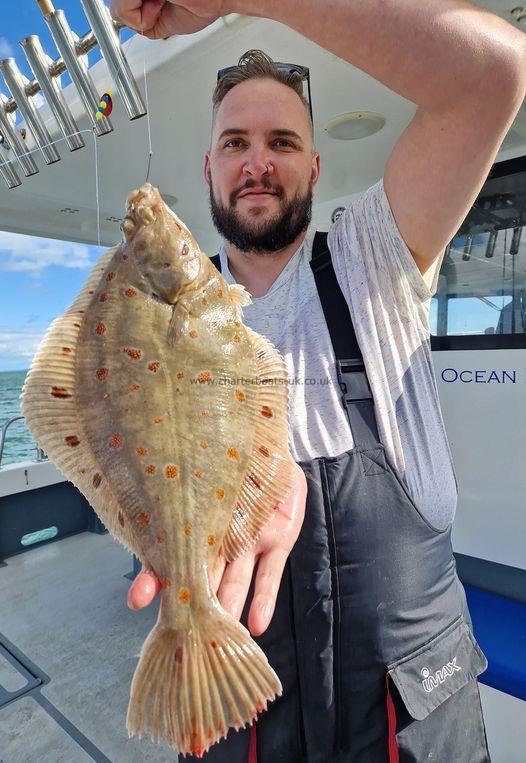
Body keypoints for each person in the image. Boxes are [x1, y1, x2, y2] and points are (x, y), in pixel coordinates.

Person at [109, 2, 526, 761]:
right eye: (235, 142)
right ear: (208, 168)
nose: (257, 162)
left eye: (282, 142)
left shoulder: (376, 256)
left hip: (410, 717)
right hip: (242, 707)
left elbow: (492, 75)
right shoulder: (162, 318)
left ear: (316, 167)